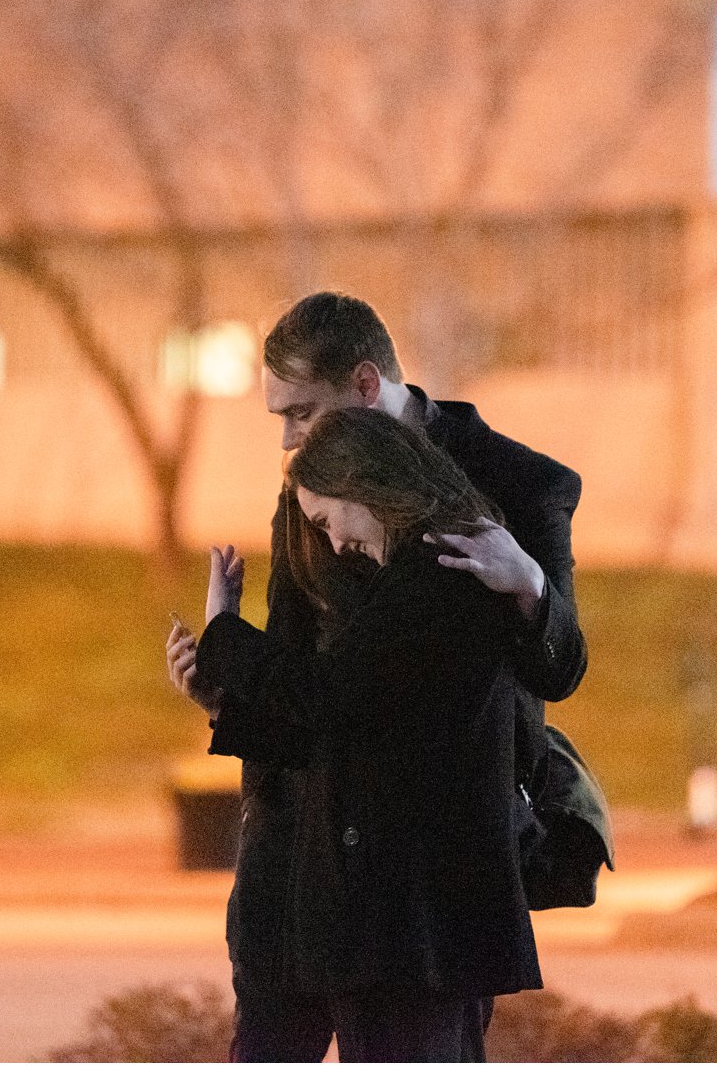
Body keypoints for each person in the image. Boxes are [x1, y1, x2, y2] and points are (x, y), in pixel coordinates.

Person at [164, 291, 587, 1060]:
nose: (289, 442)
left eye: (301, 413)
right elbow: (298, 666)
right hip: (300, 848)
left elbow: (559, 669)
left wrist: (528, 582)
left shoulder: (514, 484)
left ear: (365, 385)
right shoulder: (310, 487)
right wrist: (224, 696)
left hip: (426, 876)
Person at [196, 406, 541, 1061]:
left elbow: (332, 696)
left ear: (363, 484)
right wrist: (224, 698)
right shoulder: (428, 562)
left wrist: (224, 636)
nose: (329, 545)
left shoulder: (438, 569)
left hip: (417, 925)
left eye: (326, 520)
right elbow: (351, 725)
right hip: (419, 922)